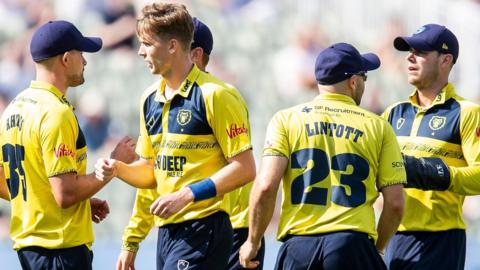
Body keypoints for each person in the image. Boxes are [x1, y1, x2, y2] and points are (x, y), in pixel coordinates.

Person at [95, 3, 255, 270]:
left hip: (205, 226)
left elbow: (245, 168)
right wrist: (118, 169)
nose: (140, 51)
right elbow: (150, 173)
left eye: (146, 43)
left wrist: (186, 195)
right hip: (168, 231)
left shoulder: (216, 95)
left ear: (172, 46)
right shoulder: (149, 99)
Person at [239, 42, 406, 270]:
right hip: (352, 245)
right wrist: (377, 249)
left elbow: (267, 185)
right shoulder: (378, 126)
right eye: (364, 77)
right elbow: (395, 203)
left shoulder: (286, 120)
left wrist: (253, 240)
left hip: (298, 249)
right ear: (353, 81)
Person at [0, 20, 128, 270]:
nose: (85, 61)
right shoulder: (56, 113)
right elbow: (65, 194)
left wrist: (81, 203)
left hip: (31, 252)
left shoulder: (13, 108)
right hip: (60, 252)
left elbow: (7, 181)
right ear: (67, 58)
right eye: (81, 53)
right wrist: (114, 165)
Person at [383, 23, 480, 270]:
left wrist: (435, 173)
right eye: (410, 51)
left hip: (443, 238)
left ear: (445, 60)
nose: (410, 58)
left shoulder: (468, 112)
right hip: (396, 236)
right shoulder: (392, 114)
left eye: (422, 52)